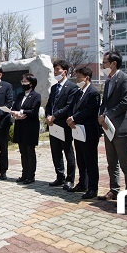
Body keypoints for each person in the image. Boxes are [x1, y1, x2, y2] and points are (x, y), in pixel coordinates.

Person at [98, 51, 127, 207]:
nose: (103, 66)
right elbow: (105, 102)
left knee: (126, 163)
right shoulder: (108, 81)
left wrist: (106, 115)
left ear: (113, 63)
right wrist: (101, 115)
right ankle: (114, 189)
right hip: (108, 128)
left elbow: (125, 103)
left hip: (121, 127)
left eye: (104, 63)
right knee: (112, 162)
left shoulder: (126, 80)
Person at [66, 67, 101, 199]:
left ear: (86, 77)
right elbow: (71, 108)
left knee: (90, 161)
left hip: (89, 131)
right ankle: (82, 183)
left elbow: (89, 110)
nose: (77, 80)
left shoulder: (93, 93)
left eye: (79, 77)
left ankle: (93, 188)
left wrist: (74, 118)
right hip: (77, 130)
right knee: (80, 159)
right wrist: (71, 119)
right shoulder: (77, 92)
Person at [45, 60, 78, 190]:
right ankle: (60, 176)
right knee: (55, 152)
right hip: (53, 125)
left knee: (68, 152)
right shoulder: (54, 87)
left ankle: (70, 179)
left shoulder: (72, 87)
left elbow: (69, 106)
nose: (55, 72)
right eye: (54, 69)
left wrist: (55, 116)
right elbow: (49, 105)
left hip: (64, 125)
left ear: (65, 71)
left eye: (57, 69)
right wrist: (48, 116)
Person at [11, 73, 41, 184]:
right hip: (20, 126)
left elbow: (33, 111)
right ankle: (24, 174)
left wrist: (22, 112)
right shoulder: (19, 95)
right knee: (23, 152)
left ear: (31, 84)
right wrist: (15, 113)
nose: (23, 84)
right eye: (22, 82)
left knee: (30, 152)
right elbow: (14, 108)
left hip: (30, 128)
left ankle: (31, 175)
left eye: (25, 82)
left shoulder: (36, 96)